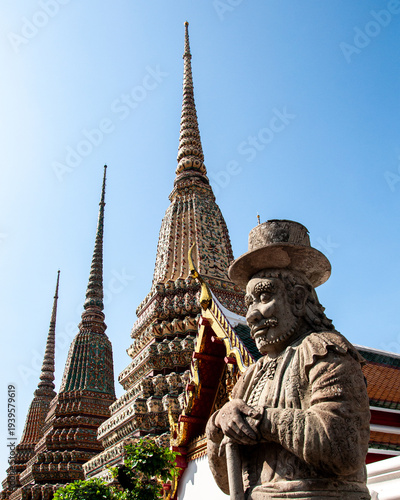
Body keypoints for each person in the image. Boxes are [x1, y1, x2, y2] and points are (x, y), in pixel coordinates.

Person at [206, 220, 371, 499]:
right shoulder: (251, 375)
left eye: (264, 296)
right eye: (248, 303)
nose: (252, 315)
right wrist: (218, 424)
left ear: (297, 298)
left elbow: (344, 448)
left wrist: (262, 420)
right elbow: (227, 480)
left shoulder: (326, 350)